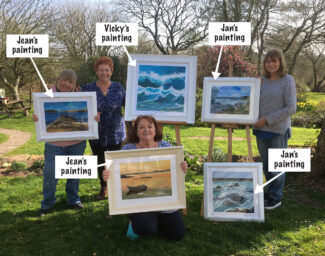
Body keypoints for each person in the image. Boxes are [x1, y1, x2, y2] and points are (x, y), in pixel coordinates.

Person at [103, 115, 187, 241]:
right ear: (136, 131)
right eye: (141, 127)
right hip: (139, 202)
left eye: (149, 126)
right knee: (145, 229)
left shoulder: (166, 146)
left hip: (164, 203)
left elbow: (175, 173)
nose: (146, 130)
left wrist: (182, 168)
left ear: (155, 129)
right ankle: (136, 222)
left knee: (177, 234)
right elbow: (115, 173)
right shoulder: (128, 149)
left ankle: (156, 219)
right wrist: (107, 176)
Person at [33, 69, 100, 217]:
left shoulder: (81, 96)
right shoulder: (47, 96)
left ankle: (73, 200)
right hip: (54, 144)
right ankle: (47, 204)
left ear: (74, 84)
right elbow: (40, 115)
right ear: (58, 80)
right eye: (64, 80)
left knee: (74, 173)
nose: (66, 84)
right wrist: (37, 119)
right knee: (50, 174)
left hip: (76, 142)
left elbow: (85, 117)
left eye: (70, 82)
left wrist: (93, 118)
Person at [253, 49, 297, 210]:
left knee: (276, 166)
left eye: (274, 61)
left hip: (278, 130)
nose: (271, 64)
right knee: (266, 164)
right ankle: (269, 193)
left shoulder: (287, 80)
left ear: (280, 63)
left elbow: (291, 107)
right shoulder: (261, 81)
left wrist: (267, 119)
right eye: (268, 61)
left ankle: (276, 197)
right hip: (260, 130)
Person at [82, 56, 126, 200]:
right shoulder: (87, 89)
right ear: (96, 71)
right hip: (96, 132)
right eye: (101, 70)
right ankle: (104, 187)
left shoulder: (119, 87)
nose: (104, 73)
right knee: (100, 161)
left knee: (115, 161)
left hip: (116, 132)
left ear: (111, 71)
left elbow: (130, 105)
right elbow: (79, 109)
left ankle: (116, 187)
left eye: (107, 70)